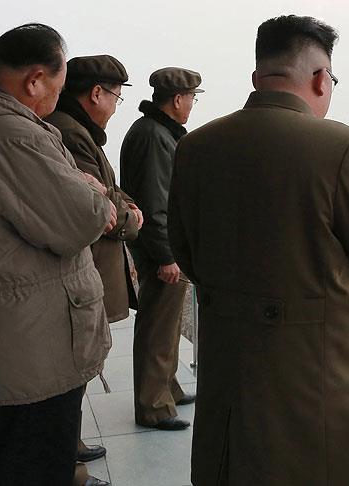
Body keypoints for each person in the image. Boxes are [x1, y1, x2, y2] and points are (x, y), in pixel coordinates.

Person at [168, 15, 349, 485]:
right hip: (318, 391)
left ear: (257, 77)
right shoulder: (343, 147)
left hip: (230, 384)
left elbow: (185, 249)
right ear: (322, 79)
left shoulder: (196, 147)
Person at [0, 23, 115, 484]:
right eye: (57, 88)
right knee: (36, 465)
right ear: (34, 80)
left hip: (2, 343)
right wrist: (94, 194)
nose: (56, 100)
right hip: (33, 353)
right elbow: (80, 219)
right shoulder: (9, 136)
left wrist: (79, 186)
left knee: (6, 462)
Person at [46, 54, 143, 486]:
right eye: (116, 98)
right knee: (71, 368)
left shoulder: (80, 131)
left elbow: (111, 190)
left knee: (78, 368)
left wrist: (123, 205)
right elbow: (99, 207)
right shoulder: (70, 133)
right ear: (97, 93)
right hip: (83, 269)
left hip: (88, 269)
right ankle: (68, 458)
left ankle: (72, 443)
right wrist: (131, 218)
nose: (116, 107)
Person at [120, 67, 202, 430]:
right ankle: (153, 405)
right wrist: (166, 256)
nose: (193, 105)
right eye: (192, 98)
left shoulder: (155, 131)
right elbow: (155, 203)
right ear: (178, 99)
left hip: (163, 246)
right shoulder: (154, 136)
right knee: (157, 327)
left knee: (167, 324)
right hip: (160, 250)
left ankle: (168, 387)